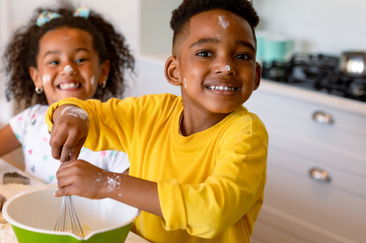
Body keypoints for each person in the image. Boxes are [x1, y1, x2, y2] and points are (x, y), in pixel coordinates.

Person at [44, 0, 267, 242]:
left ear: (255, 76)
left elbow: (213, 211)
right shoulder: (151, 112)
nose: (226, 67)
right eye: (205, 53)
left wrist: (105, 183)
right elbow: (83, 110)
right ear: (174, 71)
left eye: (242, 56)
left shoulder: (246, 134)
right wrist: (71, 114)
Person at [0, 3, 134, 226]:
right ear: (36, 77)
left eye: (80, 59)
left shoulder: (119, 133)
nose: (68, 69)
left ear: (103, 71)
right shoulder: (30, 121)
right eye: (54, 61)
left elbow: (129, 203)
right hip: (32, 223)